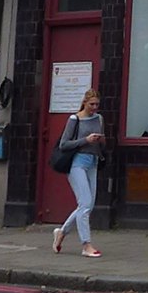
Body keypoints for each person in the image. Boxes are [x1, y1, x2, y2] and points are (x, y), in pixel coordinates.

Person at [52, 89, 106, 258]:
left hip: (93, 162)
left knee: (88, 205)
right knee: (85, 203)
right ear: (84, 102)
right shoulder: (74, 119)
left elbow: (102, 145)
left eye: (97, 104)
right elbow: (64, 144)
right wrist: (86, 140)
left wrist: (101, 141)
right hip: (77, 163)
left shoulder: (99, 118)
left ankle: (61, 232)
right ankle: (86, 245)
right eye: (92, 104)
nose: (94, 107)